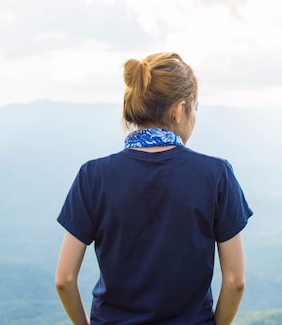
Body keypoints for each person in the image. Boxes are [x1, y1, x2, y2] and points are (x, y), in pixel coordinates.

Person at [55, 52, 253, 325]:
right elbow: (235, 281)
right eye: (194, 109)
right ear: (178, 110)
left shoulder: (93, 176)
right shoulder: (216, 175)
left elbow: (64, 279)